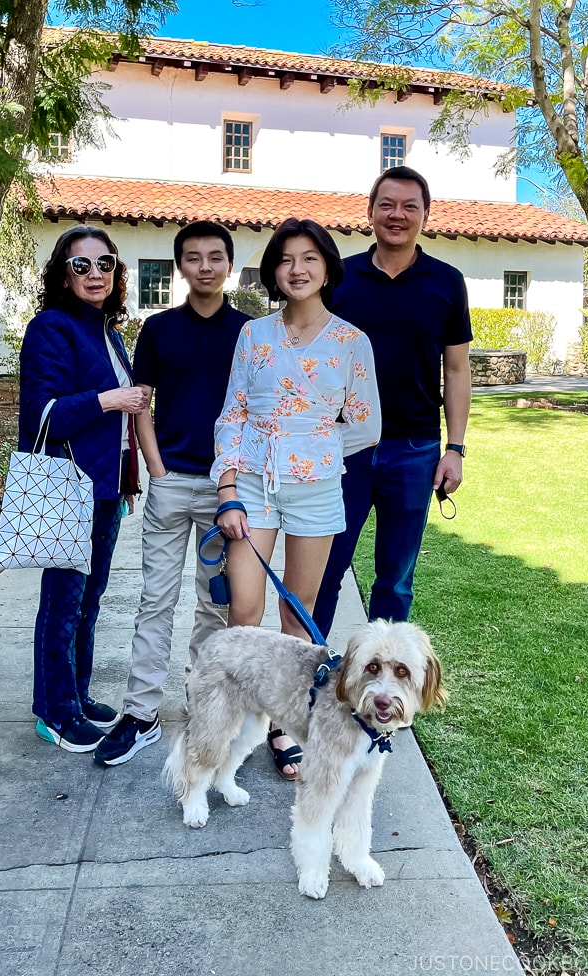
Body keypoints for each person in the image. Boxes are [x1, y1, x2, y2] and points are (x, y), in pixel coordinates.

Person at [213, 218, 381, 778]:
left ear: (327, 267)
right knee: (244, 607)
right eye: (285, 260)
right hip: (253, 487)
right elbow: (233, 413)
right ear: (273, 272)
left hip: (315, 493)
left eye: (309, 258)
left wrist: (313, 446)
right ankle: (239, 713)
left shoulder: (353, 342)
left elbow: (365, 425)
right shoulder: (254, 336)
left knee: (297, 613)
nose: (297, 269)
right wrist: (230, 487)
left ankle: (286, 724)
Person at [95, 222, 250, 766]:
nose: (204, 266)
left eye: (214, 257)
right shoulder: (159, 330)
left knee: (215, 603)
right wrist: (157, 471)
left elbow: (256, 413)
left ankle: (202, 702)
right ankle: (139, 713)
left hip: (225, 490)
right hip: (171, 483)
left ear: (229, 263)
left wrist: (233, 481)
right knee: (155, 601)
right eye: (192, 258)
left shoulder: (250, 333)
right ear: (179, 267)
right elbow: (141, 403)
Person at [313, 165, 472, 639]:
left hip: (414, 448)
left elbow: (457, 369)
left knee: (396, 581)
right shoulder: (340, 278)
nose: (397, 215)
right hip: (344, 449)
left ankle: (381, 686)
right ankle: (307, 680)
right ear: (370, 212)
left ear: (426, 214)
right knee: (323, 570)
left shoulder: (446, 282)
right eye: (387, 205)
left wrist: (455, 449)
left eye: (409, 206)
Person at [19, 226, 148, 753]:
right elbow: (40, 414)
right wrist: (107, 399)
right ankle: (54, 710)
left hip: (106, 489)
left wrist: (129, 478)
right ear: (63, 274)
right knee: (63, 602)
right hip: (69, 488)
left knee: (90, 598)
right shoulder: (51, 328)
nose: (95, 274)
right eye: (82, 265)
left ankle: (77, 690)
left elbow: (124, 422)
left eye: (105, 263)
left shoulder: (109, 333)